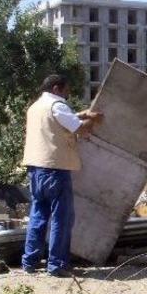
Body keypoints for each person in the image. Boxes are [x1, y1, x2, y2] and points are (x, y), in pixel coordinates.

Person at [20, 74, 102, 277]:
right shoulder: (57, 105)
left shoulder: (35, 107)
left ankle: (29, 262)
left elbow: (63, 121)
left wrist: (82, 114)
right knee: (61, 218)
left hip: (36, 169)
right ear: (57, 89)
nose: (68, 94)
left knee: (38, 216)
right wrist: (94, 121)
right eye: (66, 90)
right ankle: (56, 265)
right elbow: (80, 129)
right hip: (55, 169)